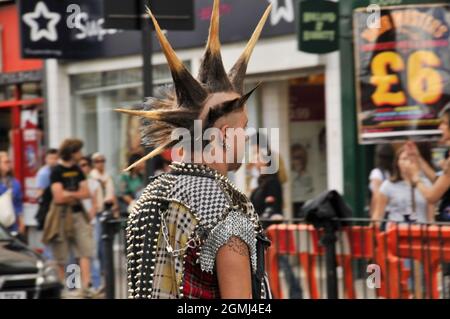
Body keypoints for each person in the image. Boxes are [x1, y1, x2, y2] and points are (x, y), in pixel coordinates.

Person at [119, 1, 272, 299]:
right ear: (225, 135)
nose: (247, 138)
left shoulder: (147, 200)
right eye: (243, 129)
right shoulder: (226, 211)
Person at [42, 139, 93, 298]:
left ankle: (85, 288)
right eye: (79, 151)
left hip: (78, 215)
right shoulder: (56, 171)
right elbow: (58, 198)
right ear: (72, 152)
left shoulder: (78, 170)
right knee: (61, 255)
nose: (81, 154)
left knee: (84, 251)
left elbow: (86, 193)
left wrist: (68, 194)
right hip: (61, 217)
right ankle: (63, 289)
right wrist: (74, 194)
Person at [250, 147, 302, 299]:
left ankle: (295, 293)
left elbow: (270, 209)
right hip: (265, 232)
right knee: (272, 265)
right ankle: (271, 293)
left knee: (283, 264)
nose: (255, 161)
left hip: (273, 231)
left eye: (258, 158)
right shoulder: (261, 182)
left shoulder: (272, 182)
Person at [372, 146, 435, 225]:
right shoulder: (388, 185)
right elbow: (378, 215)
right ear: (397, 163)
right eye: (404, 159)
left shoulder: (426, 184)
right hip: (396, 232)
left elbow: (431, 218)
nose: (408, 162)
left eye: (411, 158)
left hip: (421, 232)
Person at [79, 156, 103, 292]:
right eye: (80, 165)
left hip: (91, 223)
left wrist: (88, 220)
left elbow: (96, 204)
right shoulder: (73, 182)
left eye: (84, 165)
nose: (82, 168)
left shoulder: (94, 183)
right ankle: (75, 286)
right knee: (75, 256)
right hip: (76, 224)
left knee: (92, 255)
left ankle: (95, 285)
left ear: (88, 167)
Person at [0, 151, 25, 234]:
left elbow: (18, 204)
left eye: (9, 162)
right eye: (6, 162)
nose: (9, 164)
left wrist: (21, 223)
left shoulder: (14, 182)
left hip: (12, 225)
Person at [35, 148, 59, 230]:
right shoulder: (44, 173)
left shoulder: (59, 170)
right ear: (46, 159)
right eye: (50, 158)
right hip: (49, 207)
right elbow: (39, 193)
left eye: (55, 158)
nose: (53, 161)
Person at [368, 144, 394, 217]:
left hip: (381, 214)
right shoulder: (393, 173)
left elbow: (376, 196)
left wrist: (373, 215)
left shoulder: (376, 173)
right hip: (391, 213)